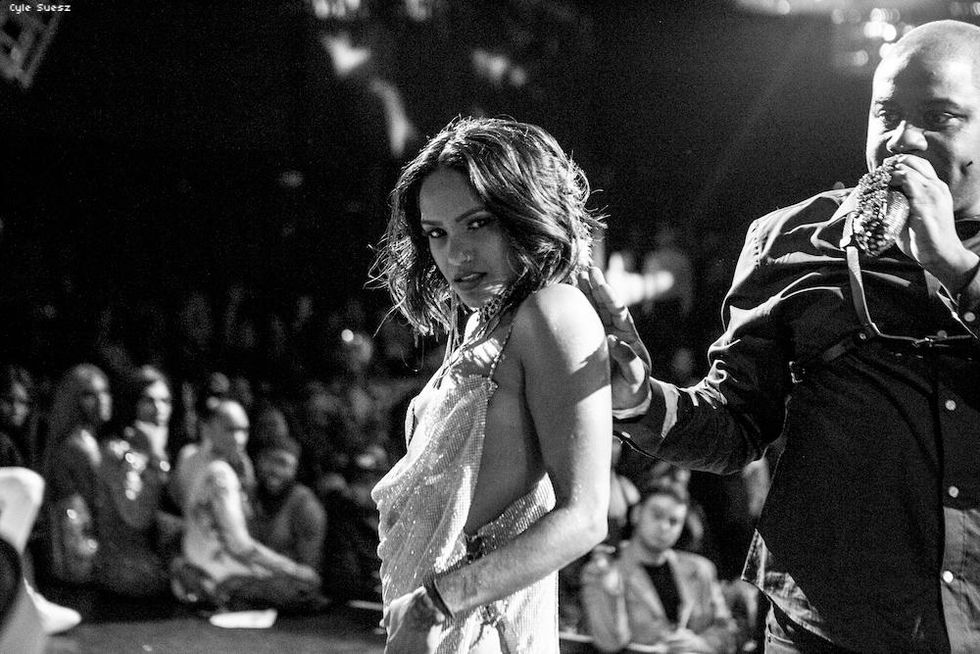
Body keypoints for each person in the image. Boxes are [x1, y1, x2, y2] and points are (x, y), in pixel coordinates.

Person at [580, 19, 980, 654]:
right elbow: (736, 424)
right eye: (885, 114)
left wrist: (957, 269)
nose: (903, 142)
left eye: (941, 116)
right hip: (828, 625)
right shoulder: (789, 239)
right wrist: (637, 399)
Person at [370, 116, 611, 653]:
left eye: (476, 223)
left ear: (522, 213)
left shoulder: (553, 311)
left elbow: (587, 515)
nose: (455, 254)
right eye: (437, 233)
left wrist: (436, 603)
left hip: (477, 630)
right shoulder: (487, 321)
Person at [169, 399, 321, 612]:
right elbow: (240, 545)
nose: (238, 439)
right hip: (220, 573)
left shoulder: (188, 455)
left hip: (192, 565)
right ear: (208, 429)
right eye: (230, 430)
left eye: (243, 431)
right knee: (306, 586)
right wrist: (293, 569)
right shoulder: (221, 474)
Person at [580, 481, 736, 653]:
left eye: (674, 521)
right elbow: (610, 643)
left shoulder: (700, 569)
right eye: (657, 515)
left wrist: (698, 643)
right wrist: (609, 588)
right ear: (637, 513)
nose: (664, 527)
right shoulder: (606, 569)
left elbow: (727, 630)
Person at [93, 365, 182, 597]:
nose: (159, 409)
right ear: (131, 403)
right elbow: (137, 518)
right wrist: (155, 459)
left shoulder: (166, 447)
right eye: (149, 401)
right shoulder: (118, 452)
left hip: (157, 559)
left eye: (165, 401)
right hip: (128, 571)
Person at [40, 363, 112, 585]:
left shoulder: (70, 441)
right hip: (82, 561)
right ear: (74, 401)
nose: (102, 400)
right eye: (89, 395)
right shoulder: (81, 446)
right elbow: (99, 506)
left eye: (105, 391)